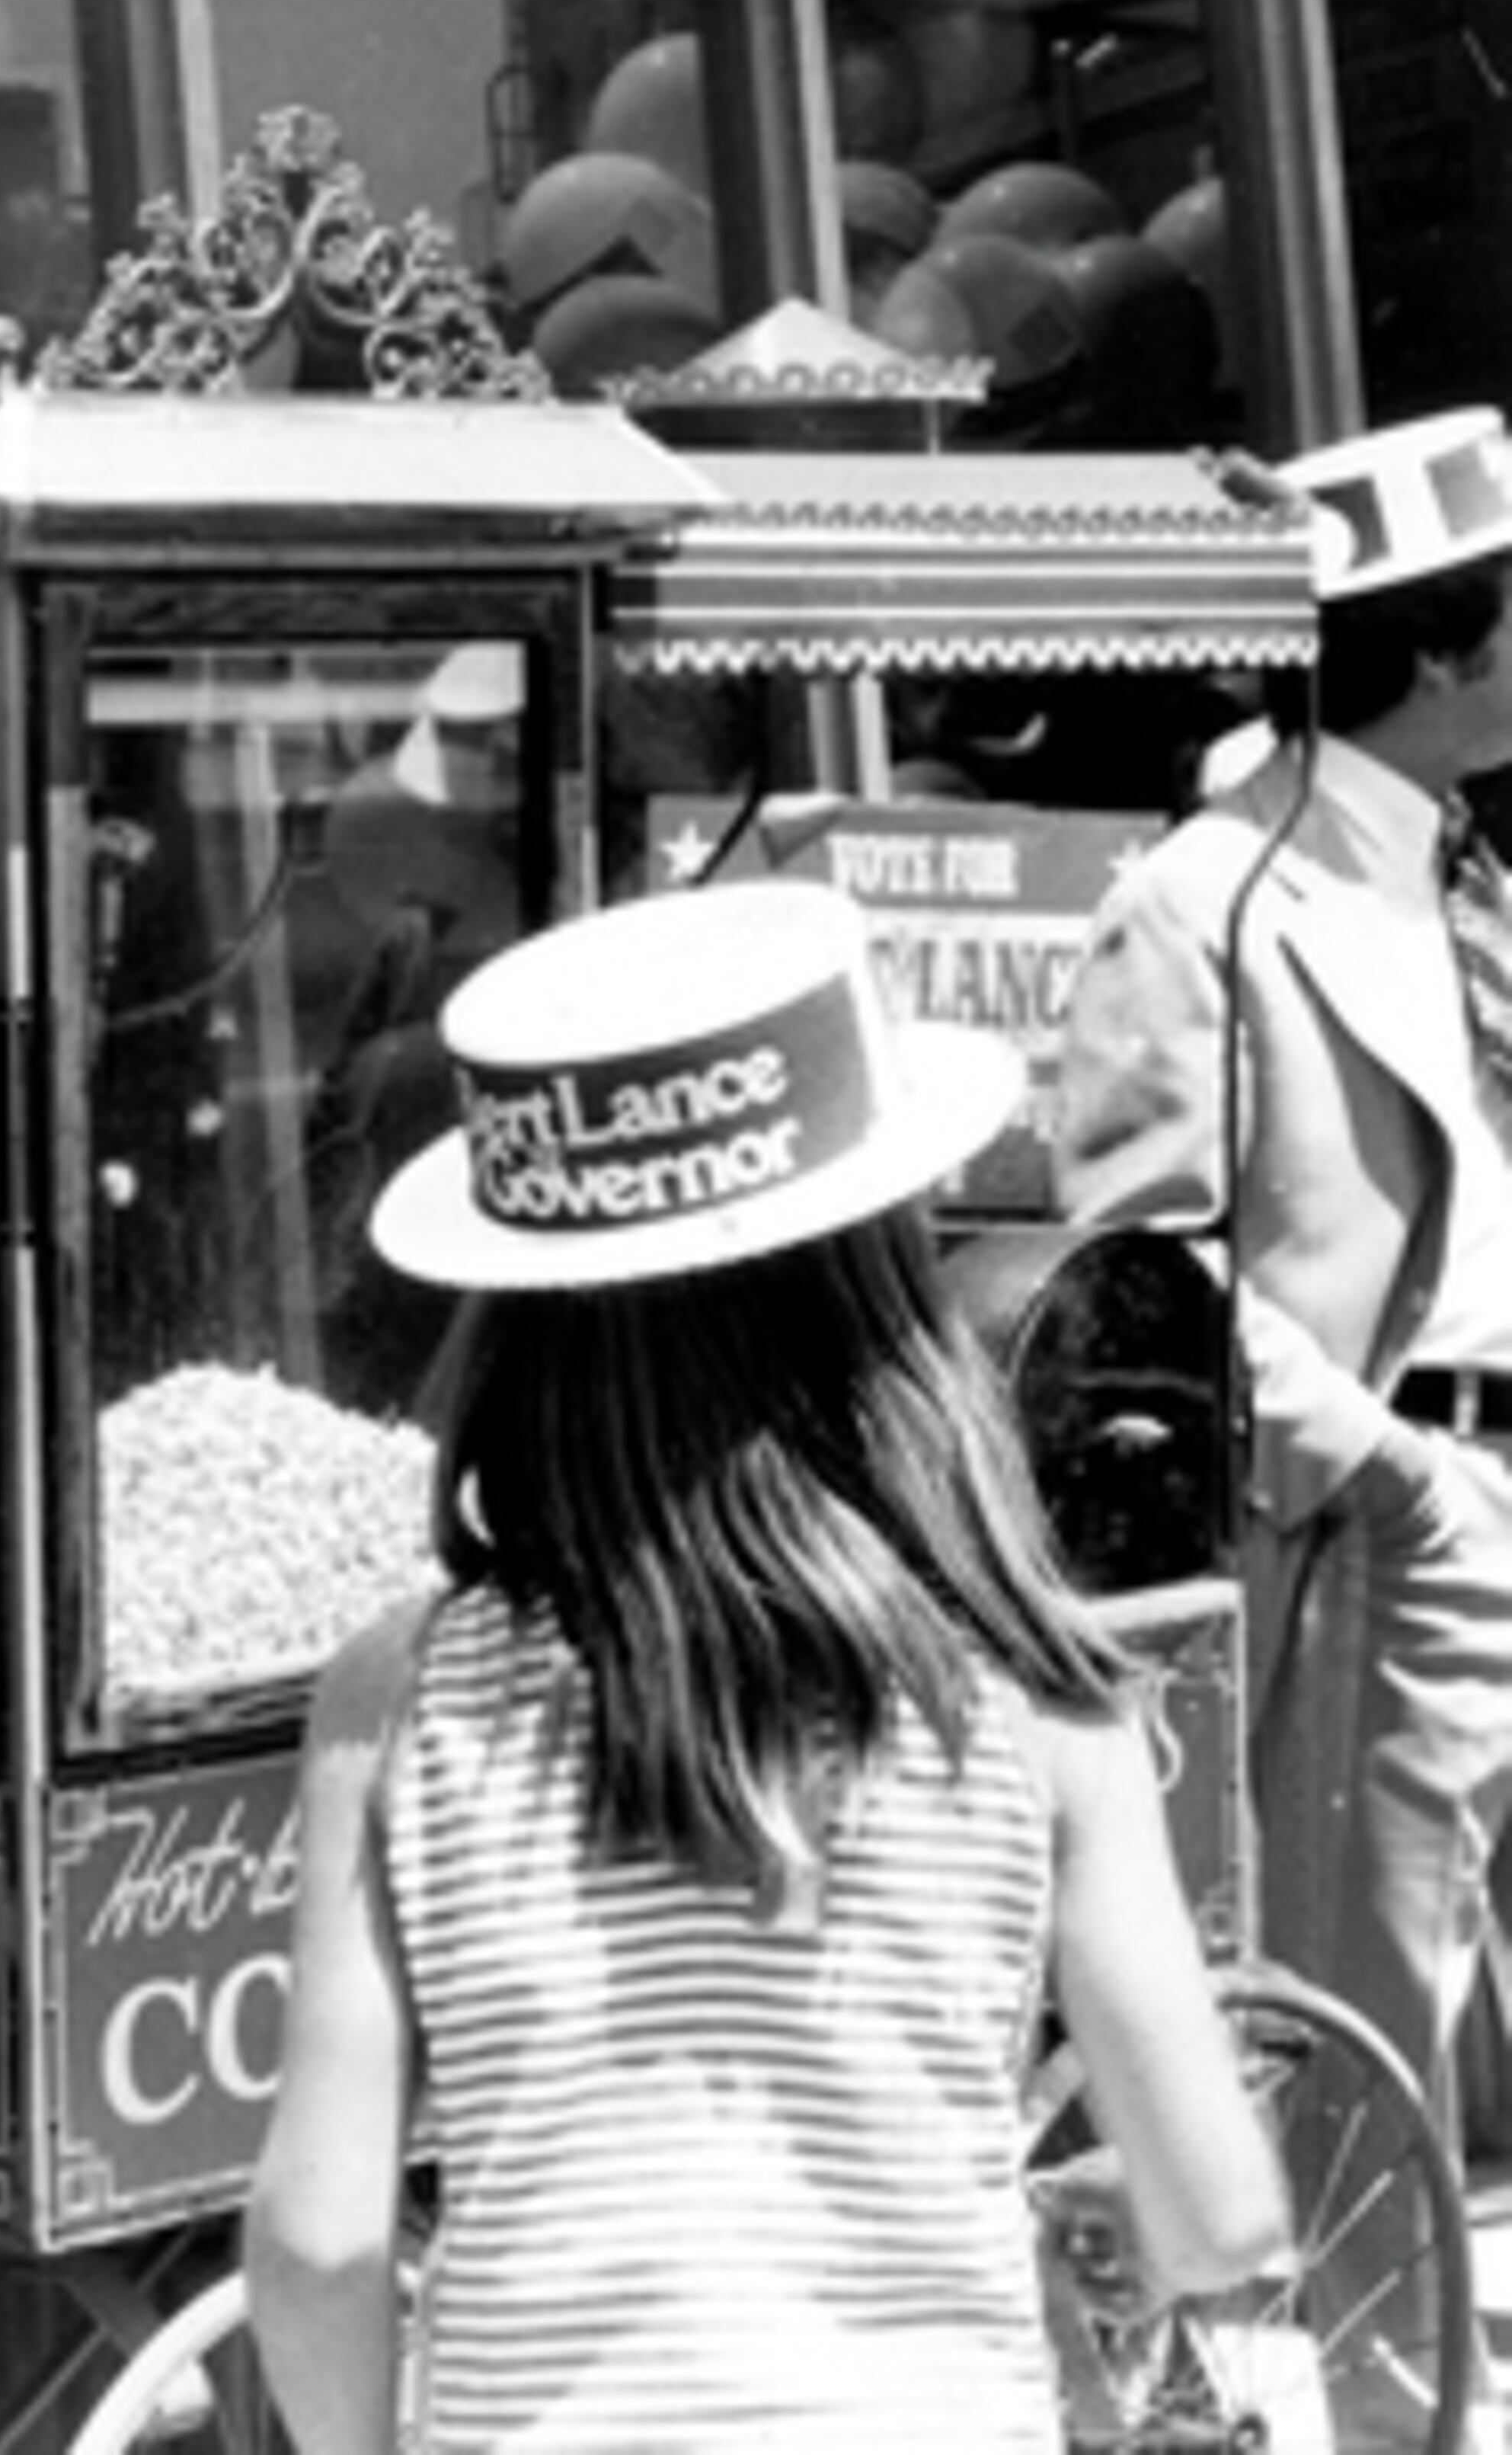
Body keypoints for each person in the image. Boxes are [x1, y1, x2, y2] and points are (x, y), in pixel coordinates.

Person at [245, 878, 1287, 2455]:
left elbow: (321, 2240)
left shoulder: (398, 1698)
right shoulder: (1029, 1690)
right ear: (883, 1285)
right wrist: (1118, 2217)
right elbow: (1220, 2216)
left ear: (520, 1309)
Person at [1053, 403, 1512, 2157]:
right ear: (1446, 646)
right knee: (1371, 2029)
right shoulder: (1205, 894)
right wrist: (1386, 1470)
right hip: (1397, 1514)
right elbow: (1144, 1268)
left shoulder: (1459, 869)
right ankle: (1368, 2344)